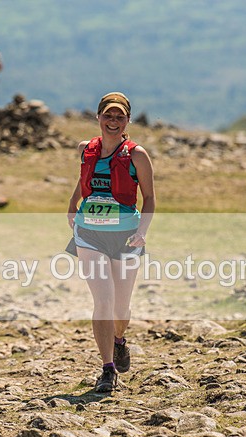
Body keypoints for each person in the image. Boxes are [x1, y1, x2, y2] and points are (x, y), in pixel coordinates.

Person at [66, 92, 156, 393]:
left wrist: (142, 230)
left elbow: (150, 199)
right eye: (108, 115)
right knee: (102, 301)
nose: (113, 121)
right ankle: (107, 369)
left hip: (126, 237)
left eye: (119, 117)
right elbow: (84, 181)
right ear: (98, 117)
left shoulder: (137, 155)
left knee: (121, 310)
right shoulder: (85, 150)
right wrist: (72, 205)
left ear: (128, 120)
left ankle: (119, 340)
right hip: (89, 235)